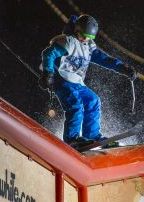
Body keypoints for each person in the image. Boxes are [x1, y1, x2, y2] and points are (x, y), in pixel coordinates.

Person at [39, 14, 137, 146]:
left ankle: (92, 136)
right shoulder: (68, 41)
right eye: (83, 35)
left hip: (77, 83)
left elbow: (104, 59)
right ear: (76, 31)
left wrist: (123, 68)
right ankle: (72, 139)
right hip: (62, 81)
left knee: (93, 100)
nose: (85, 39)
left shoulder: (89, 46)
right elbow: (48, 54)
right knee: (75, 104)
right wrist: (48, 73)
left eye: (89, 37)